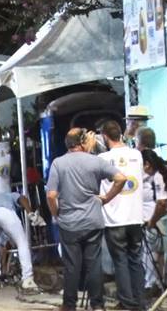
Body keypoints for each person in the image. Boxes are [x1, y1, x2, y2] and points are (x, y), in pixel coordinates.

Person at [47, 128, 128, 311]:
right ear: (83, 142)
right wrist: (106, 199)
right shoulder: (96, 161)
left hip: (69, 223)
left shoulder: (58, 164)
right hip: (93, 221)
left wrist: (55, 214)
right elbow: (121, 178)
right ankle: (97, 305)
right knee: (94, 264)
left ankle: (69, 305)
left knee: (72, 266)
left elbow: (51, 195)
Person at [97, 120, 145, 310]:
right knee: (135, 260)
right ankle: (140, 302)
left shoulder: (102, 158)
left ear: (105, 137)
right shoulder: (137, 155)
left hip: (114, 219)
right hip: (135, 217)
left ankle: (127, 302)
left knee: (120, 262)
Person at [0, 191, 40, 293]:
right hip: (5, 211)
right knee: (22, 242)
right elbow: (22, 199)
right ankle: (28, 279)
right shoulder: (10, 195)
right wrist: (31, 214)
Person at [141, 149, 167, 294]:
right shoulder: (166, 167)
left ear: (147, 164)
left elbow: (162, 203)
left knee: (158, 250)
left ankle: (159, 285)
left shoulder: (159, 175)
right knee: (162, 252)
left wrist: (152, 222)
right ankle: (162, 284)